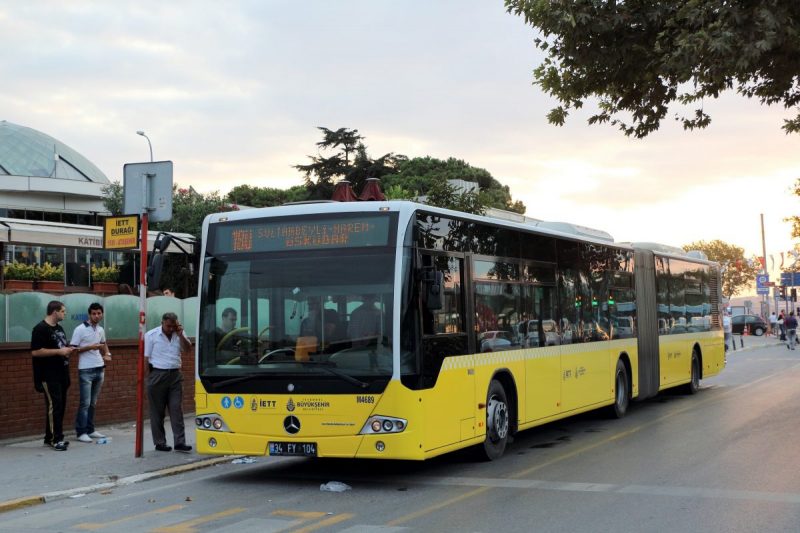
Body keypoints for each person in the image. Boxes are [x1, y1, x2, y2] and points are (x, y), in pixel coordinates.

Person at [144, 312, 193, 453]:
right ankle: (160, 442)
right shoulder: (151, 335)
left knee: (176, 409)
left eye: (173, 326)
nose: (171, 329)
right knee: (157, 412)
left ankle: (180, 442)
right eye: (168, 326)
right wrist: (147, 379)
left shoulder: (179, 334)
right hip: (157, 374)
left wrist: (181, 334)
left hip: (175, 375)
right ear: (162, 323)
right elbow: (145, 359)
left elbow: (188, 349)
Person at [31, 300, 75, 451]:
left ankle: (52, 437)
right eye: (63, 311)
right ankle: (55, 440)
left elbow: (60, 346)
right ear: (55, 312)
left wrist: (67, 350)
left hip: (62, 372)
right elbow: (35, 351)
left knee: (60, 406)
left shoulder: (59, 328)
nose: (65, 313)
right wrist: (59, 352)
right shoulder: (40, 329)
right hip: (48, 375)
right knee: (54, 406)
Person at [71, 302, 112, 443]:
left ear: (102, 314)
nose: (96, 316)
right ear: (89, 314)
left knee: (93, 403)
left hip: (99, 368)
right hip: (86, 370)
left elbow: (104, 343)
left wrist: (107, 353)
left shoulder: (100, 329)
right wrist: (90, 347)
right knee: (85, 403)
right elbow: (73, 349)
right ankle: (81, 432)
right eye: (93, 313)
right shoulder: (80, 329)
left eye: (99, 313)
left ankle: (90, 429)